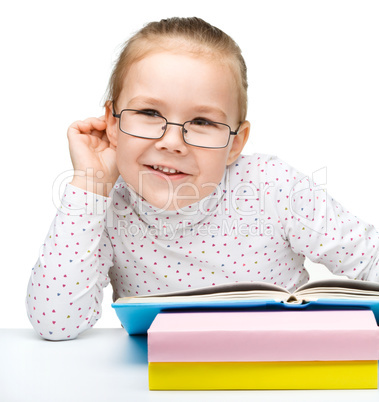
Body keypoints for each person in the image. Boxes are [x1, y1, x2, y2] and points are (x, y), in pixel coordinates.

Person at [26, 17, 379, 341]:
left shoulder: (274, 186)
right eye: (149, 112)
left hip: (278, 370)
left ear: (234, 143)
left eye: (203, 122)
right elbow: (55, 323)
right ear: (114, 123)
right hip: (161, 382)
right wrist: (91, 185)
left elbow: (370, 259)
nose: (172, 142)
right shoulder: (103, 204)